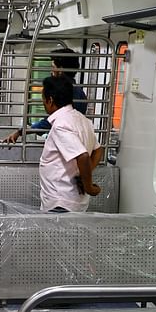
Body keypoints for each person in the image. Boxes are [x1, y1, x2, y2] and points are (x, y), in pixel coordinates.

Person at [37, 75, 101, 213]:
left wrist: (89, 186)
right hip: (74, 201)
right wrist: (84, 174)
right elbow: (97, 151)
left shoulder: (61, 124)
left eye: (43, 100)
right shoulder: (83, 120)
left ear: (50, 100)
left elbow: (83, 156)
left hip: (61, 202)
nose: (43, 104)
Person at [3, 46, 90, 145]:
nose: (51, 71)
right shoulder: (80, 93)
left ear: (60, 69)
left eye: (53, 67)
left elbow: (50, 121)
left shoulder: (65, 93)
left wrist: (21, 132)